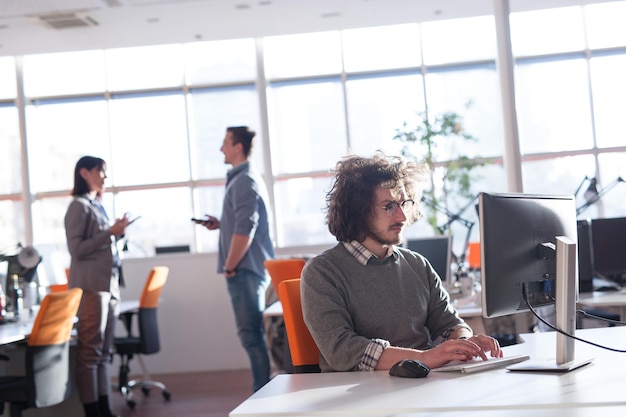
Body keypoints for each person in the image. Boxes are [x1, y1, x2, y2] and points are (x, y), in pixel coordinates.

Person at [301, 152, 503, 373]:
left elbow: (448, 323)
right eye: (389, 206)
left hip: (423, 384)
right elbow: (343, 350)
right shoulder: (322, 272)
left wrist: (464, 342)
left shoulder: (418, 265)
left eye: (403, 203)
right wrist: (426, 357)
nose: (402, 217)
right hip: (360, 394)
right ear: (358, 210)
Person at [199, 126, 275, 392]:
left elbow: (246, 229)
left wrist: (230, 266)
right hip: (245, 269)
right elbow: (241, 223)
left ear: (238, 147)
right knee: (251, 335)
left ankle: (261, 395)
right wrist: (222, 224)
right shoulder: (242, 178)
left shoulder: (245, 181)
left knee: (251, 336)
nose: (221, 148)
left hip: (244, 270)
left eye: (225, 143)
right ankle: (262, 392)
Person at [64, 156, 130, 417]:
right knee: (90, 353)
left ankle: (105, 408)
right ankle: (93, 411)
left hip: (109, 283)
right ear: (84, 173)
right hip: (91, 286)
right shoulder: (78, 207)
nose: (104, 177)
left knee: (104, 352)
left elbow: (104, 243)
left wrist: (119, 234)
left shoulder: (96, 205)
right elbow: (77, 249)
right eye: (100, 171)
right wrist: (109, 233)